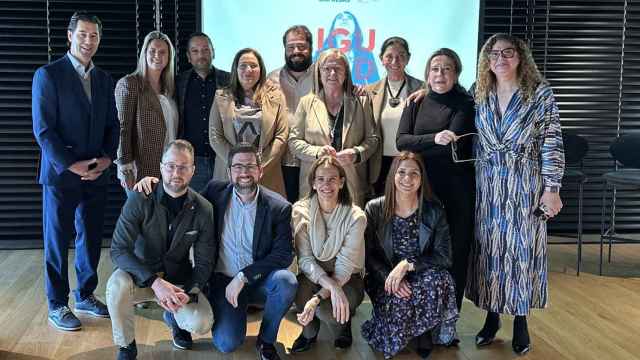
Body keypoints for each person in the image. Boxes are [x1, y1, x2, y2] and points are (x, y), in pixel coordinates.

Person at [465, 33, 564, 355]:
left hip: (525, 187)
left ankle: (521, 322)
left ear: (521, 57)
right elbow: (452, 107)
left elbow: (551, 141)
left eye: (508, 53)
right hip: (489, 187)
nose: (501, 59)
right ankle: (492, 318)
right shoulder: (480, 92)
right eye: (494, 54)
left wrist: (552, 189)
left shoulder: (539, 93)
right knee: (491, 252)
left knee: (520, 254)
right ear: (486, 60)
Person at [32, 11, 118, 331]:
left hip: (97, 173)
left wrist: (107, 160)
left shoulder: (105, 79)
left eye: (94, 35)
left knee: (91, 237)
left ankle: (85, 294)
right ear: (70, 36)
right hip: (60, 175)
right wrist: (70, 164)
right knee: (57, 240)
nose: (88, 41)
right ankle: (57, 303)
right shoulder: (48, 75)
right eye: (82, 34)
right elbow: (43, 130)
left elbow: (113, 125)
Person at [107, 140, 216, 360]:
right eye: (171, 165)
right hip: (140, 277)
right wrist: (155, 282)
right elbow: (118, 249)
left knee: (202, 322)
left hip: (177, 282)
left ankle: (177, 322)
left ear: (193, 170)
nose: (177, 172)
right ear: (160, 167)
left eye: (184, 167)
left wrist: (190, 292)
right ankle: (126, 346)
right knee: (116, 285)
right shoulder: (139, 198)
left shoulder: (204, 208)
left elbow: (204, 263)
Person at [396, 48, 475, 315]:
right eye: (435, 69)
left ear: (456, 73)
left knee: (456, 250)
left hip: (456, 189)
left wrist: (426, 143)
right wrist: (432, 139)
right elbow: (401, 141)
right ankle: (423, 314)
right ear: (427, 74)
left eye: (446, 69)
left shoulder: (465, 103)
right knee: (422, 249)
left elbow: (449, 143)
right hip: (422, 187)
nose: (440, 74)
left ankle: (450, 316)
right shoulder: (416, 101)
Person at [202, 143, 297, 360]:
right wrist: (152, 184)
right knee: (226, 343)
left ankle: (266, 340)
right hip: (223, 282)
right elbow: (182, 200)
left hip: (259, 280)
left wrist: (243, 276)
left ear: (260, 170)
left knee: (286, 281)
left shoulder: (278, 207)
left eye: (250, 166)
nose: (244, 172)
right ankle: (225, 311)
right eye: (237, 167)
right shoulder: (213, 193)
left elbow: (284, 254)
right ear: (229, 172)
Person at [361, 152, 458, 359]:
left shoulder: (434, 210)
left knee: (441, 279)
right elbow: (367, 256)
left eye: (414, 173)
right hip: (385, 277)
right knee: (399, 305)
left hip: (421, 273)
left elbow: (445, 256)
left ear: (422, 179)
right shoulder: (375, 208)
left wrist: (407, 264)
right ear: (392, 176)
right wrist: (390, 277)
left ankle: (423, 332)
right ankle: (397, 326)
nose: (407, 179)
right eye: (402, 172)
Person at [290, 156, 366, 353]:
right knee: (296, 292)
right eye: (320, 179)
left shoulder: (356, 217)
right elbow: (305, 260)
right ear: (313, 183)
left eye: (332, 179)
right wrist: (329, 286)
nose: (326, 185)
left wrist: (320, 297)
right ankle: (309, 332)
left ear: (341, 182)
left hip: (347, 278)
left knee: (329, 312)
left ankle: (344, 323)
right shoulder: (301, 211)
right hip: (314, 274)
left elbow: (344, 268)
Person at [289, 49, 378, 207]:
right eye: (327, 68)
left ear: (346, 73)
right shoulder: (306, 102)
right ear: (319, 72)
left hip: (350, 183)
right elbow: (294, 142)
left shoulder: (361, 101)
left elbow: (373, 139)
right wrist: (316, 152)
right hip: (314, 185)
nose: (332, 73)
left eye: (338, 68)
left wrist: (356, 154)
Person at [209, 48, 288, 197]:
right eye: (243, 66)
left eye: (253, 65)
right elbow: (215, 136)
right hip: (229, 176)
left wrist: (257, 167)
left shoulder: (277, 97)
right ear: (235, 69)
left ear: (261, 69)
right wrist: (238, 166)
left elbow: (281, 136)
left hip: (266, 175)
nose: (248, 70)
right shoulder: (221, 97)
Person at [115, 31, 178, 191]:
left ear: (169, 57)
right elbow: (122, 128)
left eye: (163, 52)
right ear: (144, 53)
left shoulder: (169, 89)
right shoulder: (130, 84)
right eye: (152, 51)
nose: (157, 55)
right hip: (140, 170)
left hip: (169, 169)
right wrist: (126, 169)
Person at [366, 37, 423, 195]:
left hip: (409, 163)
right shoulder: (369, 91)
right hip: (379, 163)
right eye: (389, 56)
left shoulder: (422, 89)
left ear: (408, 58)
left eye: (401, 56)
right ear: (381, 59)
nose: (395, 61)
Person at [176, 32, 230, 191]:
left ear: (213, 52)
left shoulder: (229, 81)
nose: (201, 55)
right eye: (195, 51)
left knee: (224, 210)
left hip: (222, 159)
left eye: (205, 50)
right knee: (194, 211)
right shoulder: (178, 83)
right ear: (188, 56)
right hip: (192, 162)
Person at [267, 25, 315, 203]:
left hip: (312, 162)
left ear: (311, 48)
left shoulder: (323, 76)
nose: (296, 51)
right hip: (280, 161)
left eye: (301, 46)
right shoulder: (270, 79)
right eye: (291, 47)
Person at [314, 11, 380, 85]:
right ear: (333, 28)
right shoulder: (320, 54)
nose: (344, 20)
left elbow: (375, 84)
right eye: (340, 18)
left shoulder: (366, 54)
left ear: (355, 28)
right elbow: (313, 82)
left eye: (349, 18)